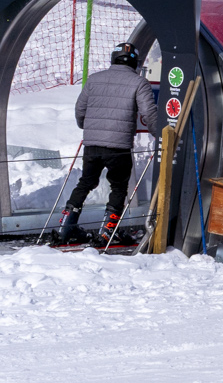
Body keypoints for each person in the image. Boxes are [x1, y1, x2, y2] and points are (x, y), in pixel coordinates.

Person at [54, 42, 159, 244]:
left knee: (85, 182)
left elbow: (80, 109)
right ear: (135, 63)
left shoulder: (94, 79)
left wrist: (87, 127)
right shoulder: (139, 82)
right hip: (119, 146)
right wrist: (159, 134)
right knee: (118, 187)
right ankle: (106, 232)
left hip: (92, 144)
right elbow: (148, 113)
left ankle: (65, 228)